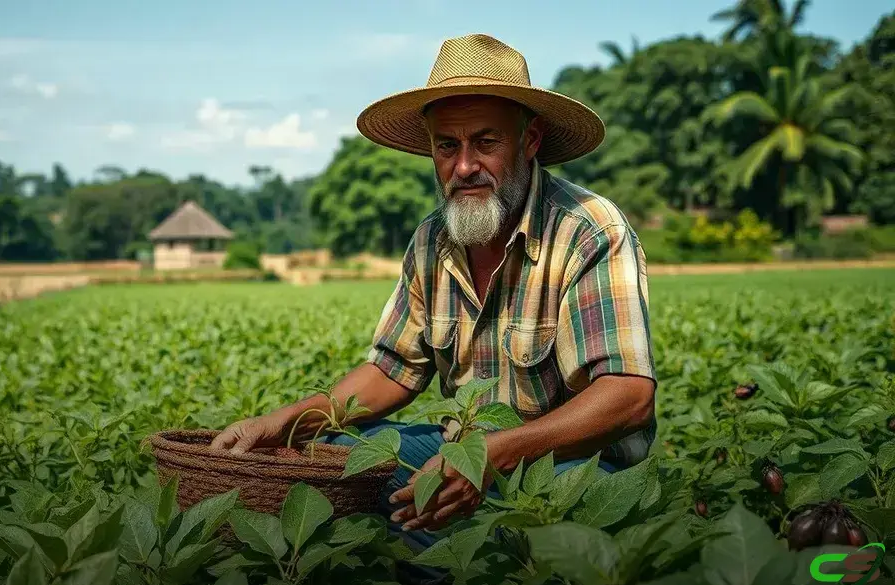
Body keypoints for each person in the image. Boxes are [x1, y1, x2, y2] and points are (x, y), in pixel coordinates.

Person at [210, 33, 656, 544]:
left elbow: (627, 398)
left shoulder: (588, 231)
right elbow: (391, 371)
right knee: (344, 457)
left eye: (486, 143)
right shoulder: (432, 240)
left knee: (531, 536)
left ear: (530, 141)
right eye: (447, 146)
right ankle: (428, 552)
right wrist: (286, 423)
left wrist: (493, 455)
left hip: (569, 465)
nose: (463, 167)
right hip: (466, 452)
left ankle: (444, 557)